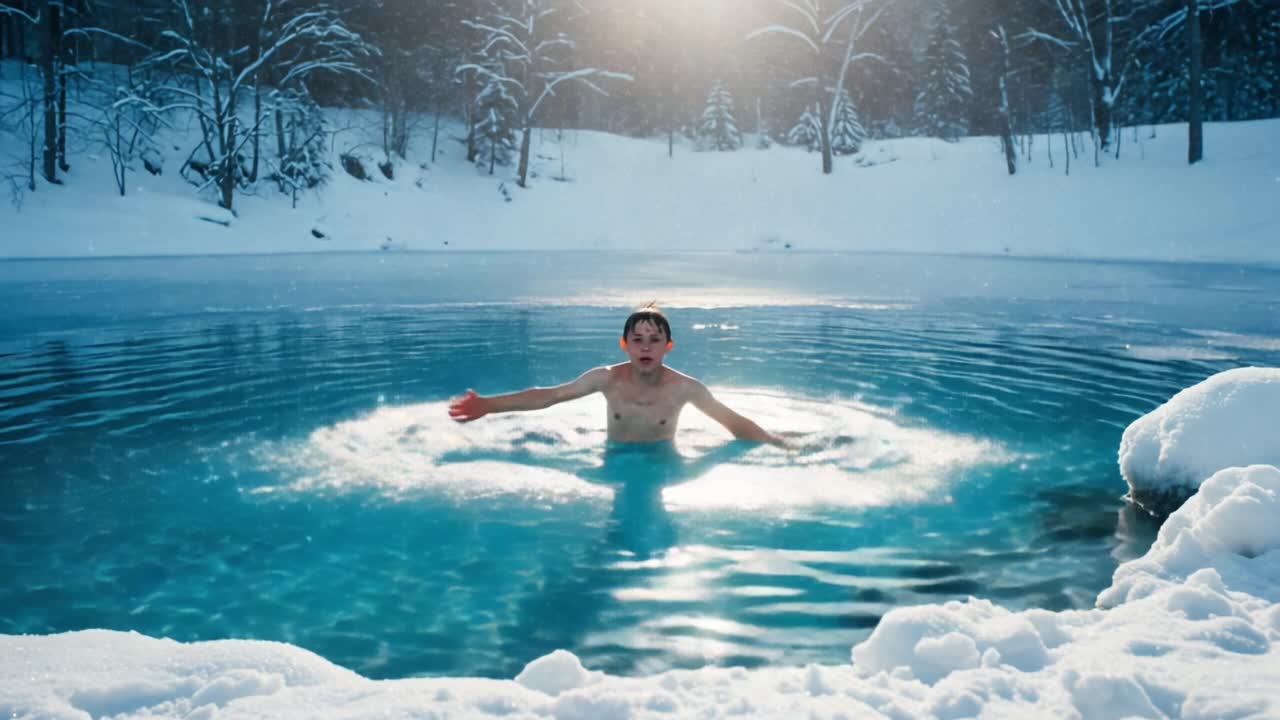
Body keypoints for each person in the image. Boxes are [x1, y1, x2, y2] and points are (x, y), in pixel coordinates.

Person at [447, 304, 788, 447]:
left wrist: (776, 443)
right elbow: (550, 395)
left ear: (668, 346)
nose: (645, 347)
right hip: (615, 460)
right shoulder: (606, 379)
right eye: (637, 340)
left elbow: (733, 422)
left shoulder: (685, 388)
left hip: (661, 465)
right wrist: (489, 405)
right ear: (624, 345)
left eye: (654, 340)